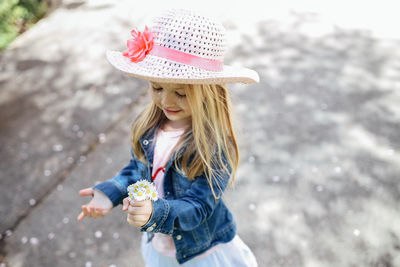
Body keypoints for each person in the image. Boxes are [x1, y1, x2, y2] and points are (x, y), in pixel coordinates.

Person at [77, 8, 259, 266]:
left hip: (201, 252)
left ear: (208, 93)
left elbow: (199, 207)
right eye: (157, 87)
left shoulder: (213, 147)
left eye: (181, 93)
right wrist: (110, 194)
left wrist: (155, 213)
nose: (166, 100)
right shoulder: (149, 127)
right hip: (160, 247)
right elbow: (137, 171)